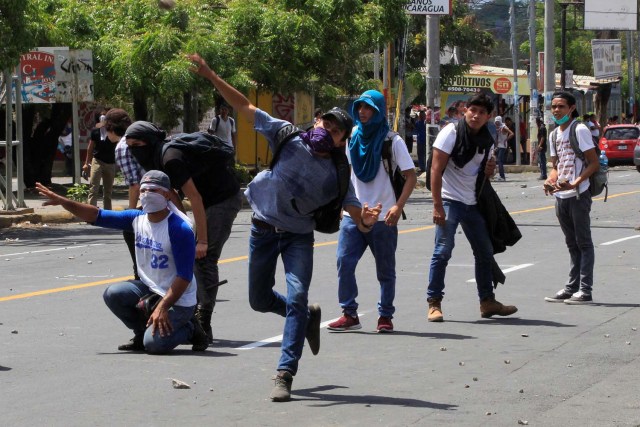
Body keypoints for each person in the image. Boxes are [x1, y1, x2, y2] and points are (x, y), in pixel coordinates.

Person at [187, 53, 381, 402]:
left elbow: (357, 214)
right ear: (317, 121)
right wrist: (210, 74)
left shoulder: (338, 174)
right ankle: (307, 317)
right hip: (262, 230)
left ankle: (285, 372)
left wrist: (366, 219)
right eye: (327, 125)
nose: (329, 133)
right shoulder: (287, 135)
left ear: (341, 142)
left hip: (297, 238)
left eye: (338, 133)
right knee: (259, 300)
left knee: (296, 296)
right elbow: (244, 106)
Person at [35, 170, 209, 353]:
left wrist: (164, 307)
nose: (146, 194)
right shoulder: (137, 218)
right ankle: (141, 333)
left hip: (178, 299)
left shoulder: (179, 228)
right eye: (143, 190)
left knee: (155, 345)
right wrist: (64, 202)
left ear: (167, 194)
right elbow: (96, 215)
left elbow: (184, 276)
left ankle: (190, 329)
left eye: (153, 190)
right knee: (114, 294)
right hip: (151, 288)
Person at [124, 120, 243, 344]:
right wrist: (183, 228)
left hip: (221, 200)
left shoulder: (170, 158)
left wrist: (202, 241)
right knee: (176, 249)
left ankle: (202, 322)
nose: (133, 150)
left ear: (149, 142)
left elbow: (195, 197)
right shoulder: (155, 158)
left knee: (203, 258)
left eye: (137, 144)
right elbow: (171, 194)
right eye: (129, 145)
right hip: (203, 201)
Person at [327, 90, 417, 333]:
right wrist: (341, 205)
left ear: (378, 111)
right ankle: (349, 314)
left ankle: (385, 316)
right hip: (354, 215)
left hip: (384, 217)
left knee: (385, 270)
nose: (363, 112)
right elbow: (346, 174)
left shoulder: (391, 140)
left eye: (369, 108)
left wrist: (398, 206)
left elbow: (411, 176)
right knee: (344, 262)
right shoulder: (353, 136)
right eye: (360, 107)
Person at [427, 93, 518, 322]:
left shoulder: (488, 136)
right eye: (472, 110)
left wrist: (489, 170)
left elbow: (483, 172)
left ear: (489, 116)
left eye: (481, 112)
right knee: (443, 251)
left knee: (485, 252)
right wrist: (437, 205)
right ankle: (434, 302)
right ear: (465, 110)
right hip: (449, 200)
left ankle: (487, 301)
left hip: (472, 201)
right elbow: (435, 170)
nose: (475, 116)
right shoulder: (451, 132)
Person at [543, 92, 599, 304]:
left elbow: (593, 163)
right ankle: (571, 287)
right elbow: (556, 167)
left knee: (583, 242)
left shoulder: (580, 129)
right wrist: (550, 181)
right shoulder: (553, 134)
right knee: (571, 243)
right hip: (562, 195)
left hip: (579, 193)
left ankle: (585, 290)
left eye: (561, 107)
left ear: (572, 108)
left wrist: (576, 183)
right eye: (554, 107)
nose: (557, 111)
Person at [109, 109, 140, 280]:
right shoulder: (138, 138)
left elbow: (134, 184)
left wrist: (131, 212)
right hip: (168, 192)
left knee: (130, 231)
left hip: (154, 194)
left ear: (111, 129)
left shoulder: (122, 146)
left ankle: (140, 276)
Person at [84, 111, 117, 209]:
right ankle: (91, 211)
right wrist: (86, 163)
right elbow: (90, 148)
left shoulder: (113, 132)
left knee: (108, 191)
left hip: (110, 163)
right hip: (97, 161)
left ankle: (108, 213)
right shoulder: (95, 132)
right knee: (94, 188)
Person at [493, 116, 514, 182]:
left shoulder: (503, 127)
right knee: (496, 160)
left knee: (500, 161)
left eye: (497, 122)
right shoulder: (498, 128)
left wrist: (506, 140)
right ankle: (499, 175)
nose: (496, 123)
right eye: (496, 122)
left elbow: (512, 134)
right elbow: (497, 138)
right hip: (499, 146)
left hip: (503, 146)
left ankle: (502, 176)